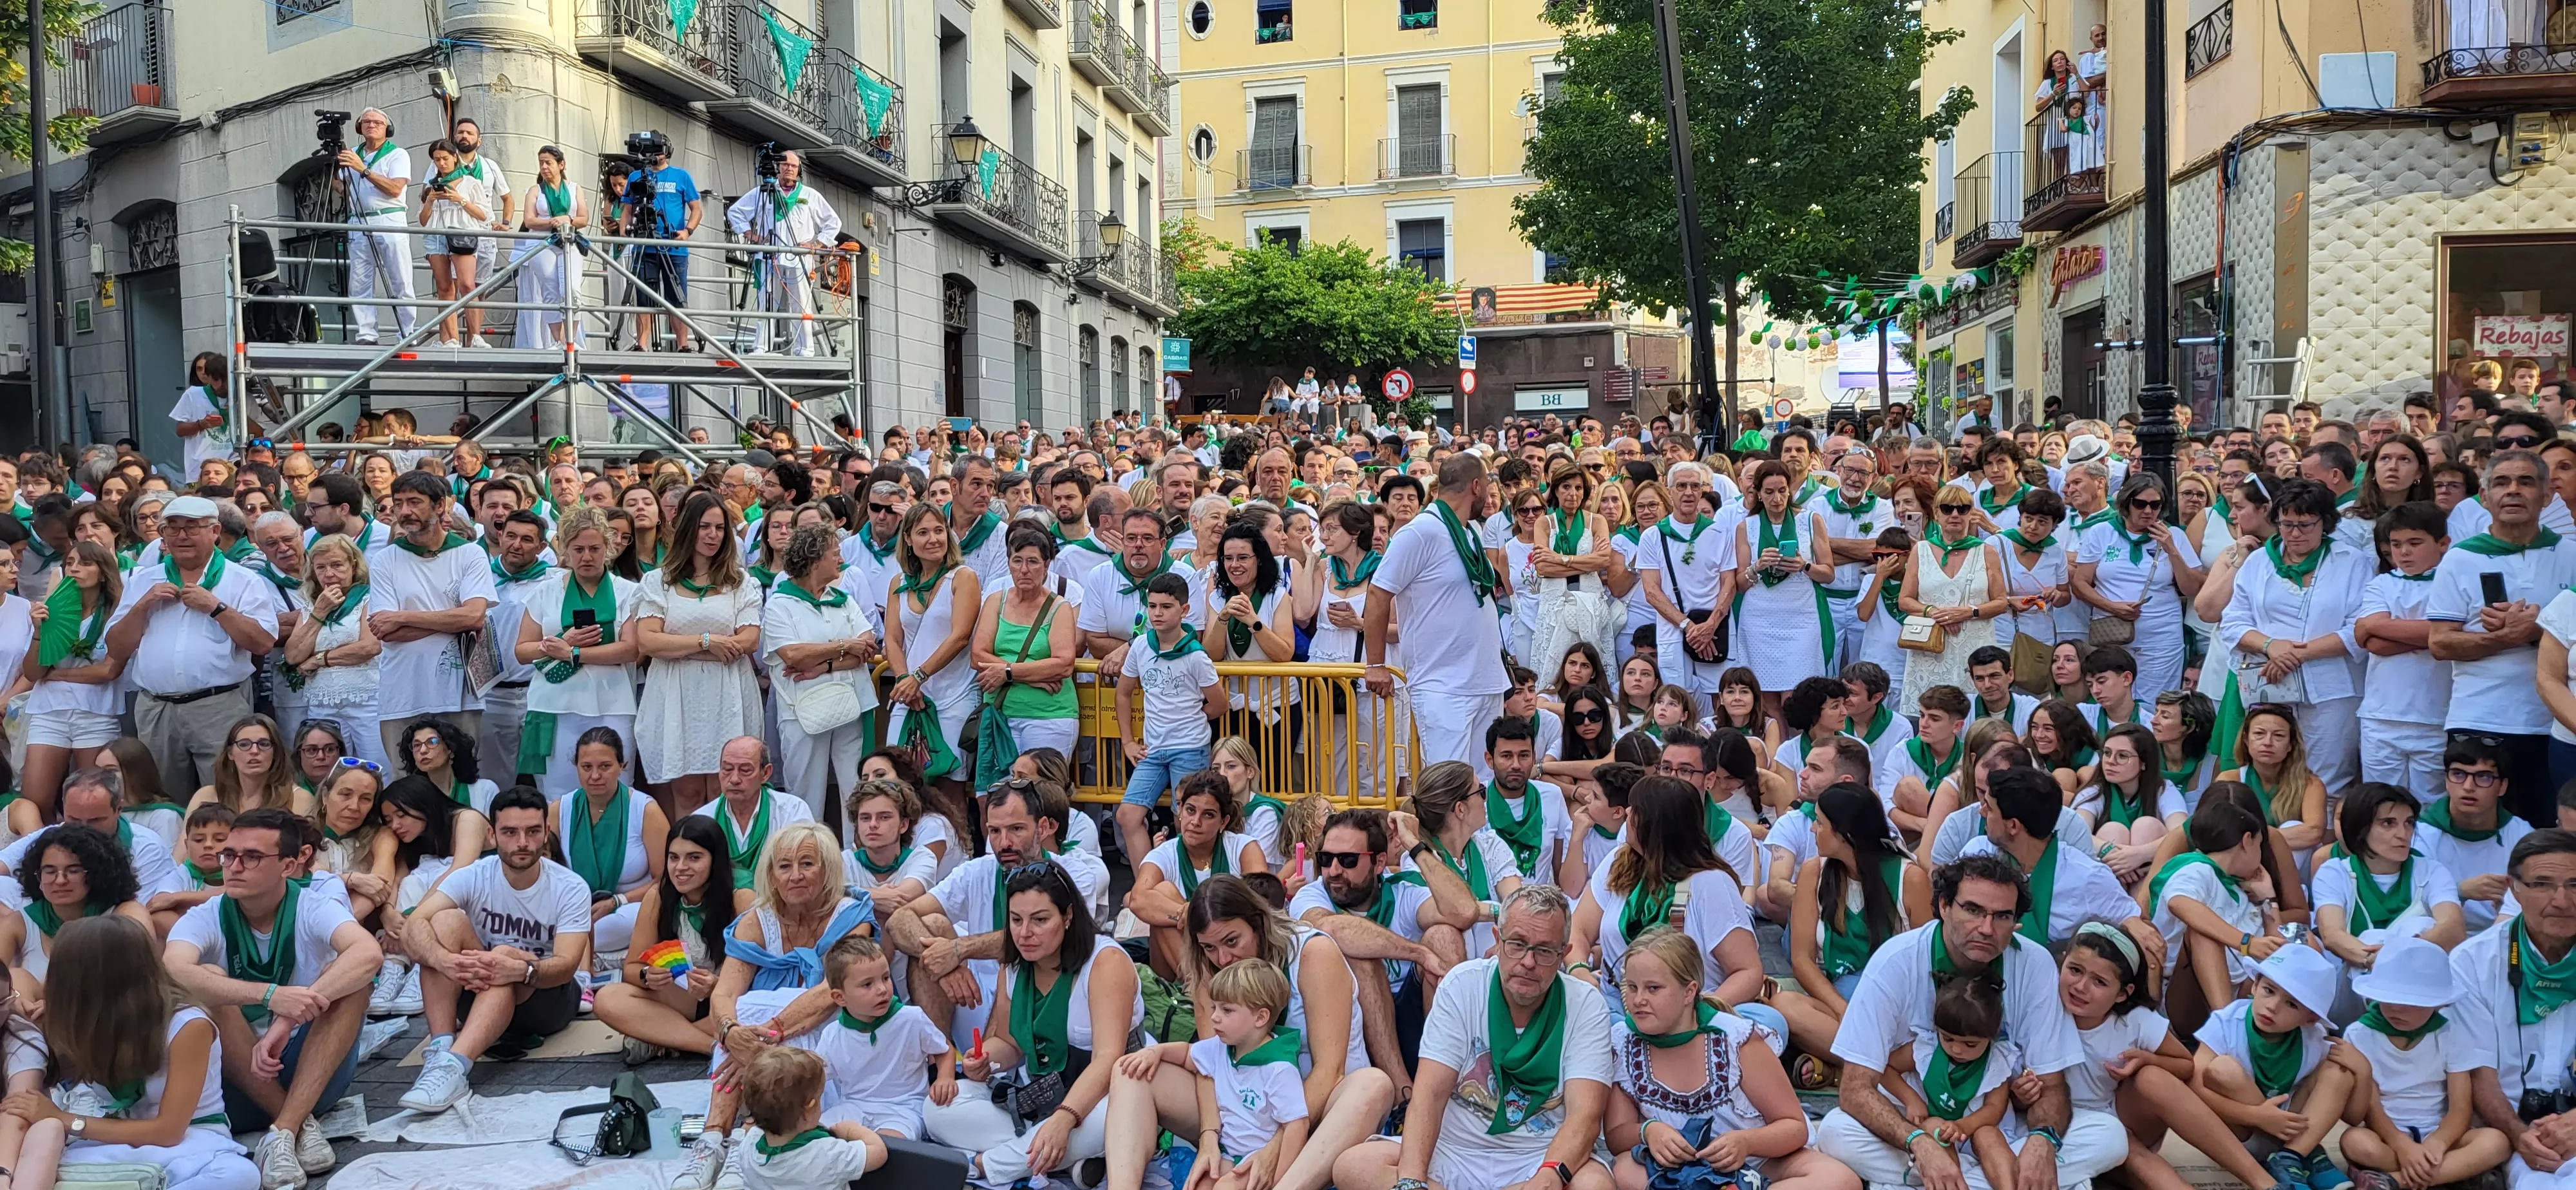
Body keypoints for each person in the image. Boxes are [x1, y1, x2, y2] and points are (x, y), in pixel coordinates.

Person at [1816, 852, 2127, 1190]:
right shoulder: (1894, 962)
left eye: (2002, 916)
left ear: (2016, 921)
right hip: (1916, 1130)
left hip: (1998, 1135)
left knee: (2111, 1137)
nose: (1987, 929)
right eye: (1974, 910)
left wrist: (2043, 1140)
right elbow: (1855, 1089)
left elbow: (2051, 1085)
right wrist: (1919, 1142)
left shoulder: (2035, 964)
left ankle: (1945, 1181)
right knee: (1835, 1132)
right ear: (1944, 906)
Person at [1332, 884, 1617, 1190]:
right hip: (1453, 1152)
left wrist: (1547, 1179)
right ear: (1497, 940)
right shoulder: (1463, 984)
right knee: (1354, 1166)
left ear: (1564, 954)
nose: (1528, 962)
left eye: (1544, 950)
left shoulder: (1586, 1004)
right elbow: (1429, 1096)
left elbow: (1584, 1118)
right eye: (1517, 944)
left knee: (1594, 1186)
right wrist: (1413, 1182)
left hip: (1539, 1155)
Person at [161, 809, 378, 1189]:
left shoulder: (312, 904)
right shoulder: (209, 913)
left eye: (252, 857)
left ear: (289, 865)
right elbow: (174, 968)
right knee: (205, 981)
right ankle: (293, 1127)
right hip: (235, 1082)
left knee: (354, 984)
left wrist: (288, 1019)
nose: (234, 866)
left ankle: (282, 1131)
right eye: (230, 855)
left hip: (309, 1074)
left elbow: (368, 954)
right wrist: (270, 995)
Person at [917, 862, 1139, 1188]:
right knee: (937, 1110)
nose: (1025, 933)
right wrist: (984, 1061)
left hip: (1101, 1096)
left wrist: (1065, 1118)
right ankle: (1062, 1160)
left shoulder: (1105, 962)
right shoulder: (1015, 963)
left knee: (1113, 1119)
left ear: (1067, 917)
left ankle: (984, 1164)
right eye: (1016, 920)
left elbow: (1108, 1059)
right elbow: (1010, 1044)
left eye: (1040, 920)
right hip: (1040, 1094)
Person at [8, 915, 258, 1190]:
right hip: (110, 1142)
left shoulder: (187, 1024)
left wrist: (65, 1119)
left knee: (238, 1175)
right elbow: (20, 982)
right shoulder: (83, 1020)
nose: (50, 981)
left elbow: (168, 1132)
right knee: (38, 1163)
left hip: (190, 1142)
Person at [1606, 926, 1853, 1190]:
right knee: (1625, 1170)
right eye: (1632, 988)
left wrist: (1746, 1143)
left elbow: (1794, 1127)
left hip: (1755, 1163)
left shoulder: (1735, 1040)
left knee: (1838, 1179)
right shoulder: (1625, 1041)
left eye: (1653, 989)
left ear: (1689, 992)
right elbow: (1616, 1135)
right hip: (1676, 1170)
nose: (1639, 999)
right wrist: (1648, 1131)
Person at [397, 786, 594, 1113]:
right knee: (442, 923)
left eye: (533, 832)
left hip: (547, 996)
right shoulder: (474, 875)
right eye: (510, 832)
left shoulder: (570, 886)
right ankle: (442, 1048)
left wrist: (520, 968)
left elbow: (566, 966)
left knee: (503, 956)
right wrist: (444, 961)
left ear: (547, 832)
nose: (522, 843)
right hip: (478, 985)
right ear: (492, 835)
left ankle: (456, 1066)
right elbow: (414, 926)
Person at [2430, 451, 2576, 826]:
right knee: (2479, 830)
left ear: (2547, 496)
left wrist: (2536, 631)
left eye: (2526, 482)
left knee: (2553, 837)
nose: (2513, 491)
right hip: (2481, 719)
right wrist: (2506, 637)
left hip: (2559, 727)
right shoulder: (2461, 558)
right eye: (2501, 483)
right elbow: (2440, 643)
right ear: (2484, 497)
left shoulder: (2572, 555)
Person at [104, 496, 282, 799]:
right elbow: (116, 648)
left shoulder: (243, 581)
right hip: (157, 708)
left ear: (215, 531)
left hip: (219, 707)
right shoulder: (144, 580)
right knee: (160, 796)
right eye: (172, 529)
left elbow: (264, 642)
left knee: (227, 795)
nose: (181, 536)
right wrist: (143, 605)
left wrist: (216, 608)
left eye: (191, 527)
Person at [2217, 478, 2366, 800]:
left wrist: (2298, 654)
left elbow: (2360, 628)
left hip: (2331, 691)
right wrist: (2271, 646)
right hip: (2269, 686)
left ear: (2325, 523)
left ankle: (2318, 845)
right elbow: (2232, 622)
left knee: (2326, 784)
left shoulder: (2352, 562)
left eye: (2304, 525)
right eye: (2286, 524)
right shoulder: (2258, 562)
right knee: (2271, 777)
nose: (2295, 533)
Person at [1108, 958, 1309, 1190]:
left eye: (1227, 1010)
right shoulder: (1223, 1047)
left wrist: (1280, 1181)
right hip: (1228, 1153)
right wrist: (1157, 1051)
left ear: (1261, 1017)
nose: (1214, 1017)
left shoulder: (1279, 1068)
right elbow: (1188, 1055)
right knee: (1197, 1184)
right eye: (1215, 1007)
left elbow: (1297, 1126)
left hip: (1256, 1160)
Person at [1367, 453, 1510, 771]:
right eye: (1487, 486)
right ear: (1476, 486)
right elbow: (1378, 594)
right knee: (1450, 789)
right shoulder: (1420, 532)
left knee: (1483, 789)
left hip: (1484, 682)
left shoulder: (1469, 532)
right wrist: (1375, 664)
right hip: (1443, 687)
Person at [638, 491, 766, 815]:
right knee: (689, 793)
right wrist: (709, 642)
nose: (713, 535)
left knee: (725, 793)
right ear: (688, 529)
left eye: (720, 528)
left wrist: (678, 647)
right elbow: (648, 641)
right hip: (676, 694)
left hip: (728, 693)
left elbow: (748, 640)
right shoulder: (659, 582)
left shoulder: (740, 582)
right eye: (705, 527)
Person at [2189, 944, 2356, 1190]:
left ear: (2310, 1018)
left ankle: (2293, 1157)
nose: (2273, 1006)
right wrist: (2256, 1116)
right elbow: (2191, 1088)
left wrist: (2363, 1069)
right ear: (2255, 985)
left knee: (2339, 1072)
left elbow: (2352, 1108)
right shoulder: (2226, 1021)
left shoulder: (2314, 1037)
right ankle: (2305, 1156)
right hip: (2240, 1134)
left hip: (2290, 1133)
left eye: (2292, 1004)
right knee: (2222, 1068)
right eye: (2269, 990)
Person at [591, 815, 748, 1064]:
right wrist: (647, 976)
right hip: (683, 1000)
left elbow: (763, 975)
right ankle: (709, 1046)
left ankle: (665, 1035)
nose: (680, 867)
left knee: (756, 1013)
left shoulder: (741, 896)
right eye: (673, 858)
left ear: (715, 860)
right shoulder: (659, 896)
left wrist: (718, 985)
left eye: (694, 858)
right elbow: (632, 969)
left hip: (733, 1001)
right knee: (607, 999)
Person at [365, 473, 496, 765]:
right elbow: (387, 631)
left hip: (459, 692)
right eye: (398, 503)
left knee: (461, 779)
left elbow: (474, 616)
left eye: (415, 502)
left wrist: (404, 616)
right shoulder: (386, 559)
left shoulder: (470, 555)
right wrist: (452, 621)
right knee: (405, 787)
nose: (404, 511)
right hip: (402, 693)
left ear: (440, 507)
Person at [511, 506, 641, 793]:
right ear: (565, 549)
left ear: (608, 547)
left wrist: (573, 654)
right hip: (554, 706)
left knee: (616, 789)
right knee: (559, 793)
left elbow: (630, 650)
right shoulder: (545, 592)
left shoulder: (628, 592)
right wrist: (562, 641)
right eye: (578, 549)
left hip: (612, 703)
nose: (586, 557)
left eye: (595, 548)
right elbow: (522, 650)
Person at [762, 527, 880, 815]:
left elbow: (867, 648)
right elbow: (793, 655)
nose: (841, 559)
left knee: (858, 793)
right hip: (802, 712)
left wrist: (825, 664)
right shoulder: (780, 605)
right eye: (835, 553)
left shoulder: (843, 598)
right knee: (805, 796)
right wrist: (844, 646)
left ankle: (857, 857)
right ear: (815, 560)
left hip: (853, 705)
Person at [1114, 571, 1225, 863]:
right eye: (1152, 607)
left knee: (1186, 822)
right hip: (1153, 749)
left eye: (1166, 607)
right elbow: (1123, 693)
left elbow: (1218, 704)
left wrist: (1191, 717)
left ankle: (1188, 887)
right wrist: (1127, 742)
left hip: (1189, 748)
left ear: (1184, 610)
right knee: (1128, 816)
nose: (1157, 613)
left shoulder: (1196, 656)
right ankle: (1146, 887)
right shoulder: (1140, 646)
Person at [881, 504, 983, 794]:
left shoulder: (963, 577)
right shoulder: (898, 583)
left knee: (949, 787)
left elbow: (960, 636)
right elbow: (892, 640)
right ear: (909, 540)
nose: (933, 539)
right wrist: (904, 681)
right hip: (910, 695)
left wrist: (919, 677)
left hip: (955, 696)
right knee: (897, 780)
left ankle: (955, 841)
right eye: (923, 533)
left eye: (939, 531)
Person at [21, 541, 128, 818]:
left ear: (103, 572)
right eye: (70, 563)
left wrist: (57, 675)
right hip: (49, 711)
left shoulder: (117, 612)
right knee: (35, 800)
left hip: (97, 713)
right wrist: (37, 632)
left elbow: (107, 672)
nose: (75, 569)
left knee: (94, 797)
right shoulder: (52, 610)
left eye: (85, 563)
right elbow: (33, 673)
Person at [549, 729, 669, 962]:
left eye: (605, 766)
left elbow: (665, 879)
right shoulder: (559, 809)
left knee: (624, 922)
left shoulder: (645, 810)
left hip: (627, 907)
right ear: (576, 766)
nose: (595, 776)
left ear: (622, 766)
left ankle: (568, 952)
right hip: (573, 905)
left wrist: (617, 901)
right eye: (586, 767)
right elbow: (545, 870)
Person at [973, 526, 1082, 780]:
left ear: (1047, 566)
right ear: (1009, 564)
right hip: (999, 715)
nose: (1024, 569)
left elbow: (1064, 664)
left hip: (1049, 718)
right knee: (991, 796)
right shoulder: (995, 601)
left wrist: (1008, 672)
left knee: (1040, 795)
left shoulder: (1060, 607)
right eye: (1017, 561)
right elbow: (977, 655)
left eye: (1033, 562)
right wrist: (1034, 675)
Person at [2361, 501, 2454, 793]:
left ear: (2443, 544)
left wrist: (2387, 629)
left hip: (2436, 717)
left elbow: (2453, 636)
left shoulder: (2453, 584)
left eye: (2415, 543)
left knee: (2430, 803)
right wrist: (2436, 634)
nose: (2404, 552)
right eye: (2397, 544)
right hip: (2380, 715)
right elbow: (2373, 642)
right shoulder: (2381, 584)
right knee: (2379, 802)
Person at [1634, 462, 1738, 710]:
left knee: (1721, 698)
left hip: (1715, 630)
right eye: (1681, 486)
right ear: (1669, 491)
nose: (1689, 492)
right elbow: (1651, 591)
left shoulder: (1720, 532)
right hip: (1675, 629)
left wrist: (1711, 624)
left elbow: (1729, 583)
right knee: (1677, 700)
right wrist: (1689, 627)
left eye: (1695, 486)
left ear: (1703, 490)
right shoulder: (1653, 535)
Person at [723, 151, 841, 357]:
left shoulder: (810, 195)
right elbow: (735, 211)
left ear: (799, 171)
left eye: (793, 166)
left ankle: (805, 349)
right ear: (778, 167)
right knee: (766, 304)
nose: (789, 169)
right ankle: (761, 347)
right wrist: (751, 235)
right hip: (769, 257)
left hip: (800, 259)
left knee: (801, 305)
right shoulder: (763, 192)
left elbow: (833, 222)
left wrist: (817, 244)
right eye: (785, 164)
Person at [1900, 488, 2007, 714]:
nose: (1955, 514)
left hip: (1974, 644)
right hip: (1930, 648)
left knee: (1974, 718)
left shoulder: (1986, 552)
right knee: (1929, 714)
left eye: (1963, 509)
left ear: (1971, 514)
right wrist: (1933, 611)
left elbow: (2001, 602)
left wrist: (1969, 612)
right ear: (1936, 515)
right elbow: (1905, 600)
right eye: (1948, 509)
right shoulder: (1921, 550)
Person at [730, 1046, 888, 1190]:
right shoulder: (826, 1154)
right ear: (808, 1111)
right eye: (820, 1098)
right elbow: (879, 1154)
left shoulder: (750, 1143)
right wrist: (852, 1130)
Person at [332, 109, 415, 346]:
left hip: (388, 219)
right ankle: (366, 334)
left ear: (386, 128)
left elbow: (395, 189)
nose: (372, 125)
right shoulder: (354, 154)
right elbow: (341, 186)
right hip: (358, 220)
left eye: (377, 122)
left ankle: (407, 333)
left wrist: (363, 170)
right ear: (359, 127)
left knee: (400, 278)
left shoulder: (397, 154)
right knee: (359, 281)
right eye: (366, 122)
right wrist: (333, 172)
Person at [620, 133, 703, 353]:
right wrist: (624, 233)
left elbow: (697, 208)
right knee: (644, 297)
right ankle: (642, 344)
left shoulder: (681, 176)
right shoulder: (636, 176)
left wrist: (688, 231)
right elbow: (627, 210)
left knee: (676, 298)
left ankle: (683, 344)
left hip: (674, 245)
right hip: (644, 245)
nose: (654, 154)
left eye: (658, 149)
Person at [416, 138, 491, 348]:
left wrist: (460, 199)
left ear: (455, 158)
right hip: (436, 236)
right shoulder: (431, 186)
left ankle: (475, 336)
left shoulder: (471, 183)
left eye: (445, 159)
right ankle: (451, 338)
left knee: (467, 285)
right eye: (436, 160)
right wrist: (430, 200)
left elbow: (483, 214)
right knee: (445, 287)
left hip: (462, 234)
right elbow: (422, 221)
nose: (441, 163)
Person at [512, 146, 587, 348]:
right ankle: (558, 340)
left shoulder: (574, 188)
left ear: (561, 165)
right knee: (550, 290)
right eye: (541, 163)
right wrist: (552, 222)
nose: (544, 167)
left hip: (568, 241)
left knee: (571, 288)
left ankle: (570, 340)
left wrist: (567, 219)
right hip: (541, 242)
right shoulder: (535, 190)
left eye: (549, 163)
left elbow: (584, 218)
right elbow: (529, 221)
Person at [171, 352, 236, 492]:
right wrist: (201, 425)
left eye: (226, 379)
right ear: (209, 377)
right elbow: (180, 430)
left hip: (233, 471)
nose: (223, 384)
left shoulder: (241, 396)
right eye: (218, 379)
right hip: (199, 474)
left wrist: (236, 414)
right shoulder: (193, 395)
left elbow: (259, 431)